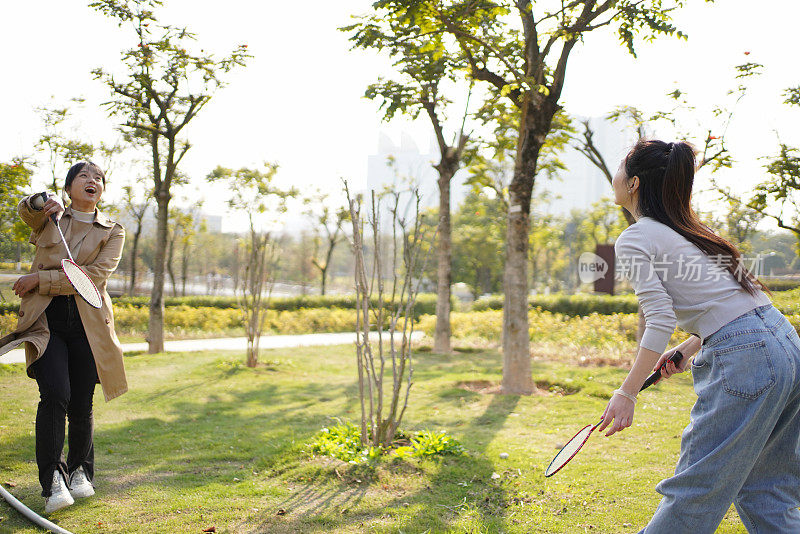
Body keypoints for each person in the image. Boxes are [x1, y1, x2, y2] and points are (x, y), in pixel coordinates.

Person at [599, 139, 800, 533]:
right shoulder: (691, 230)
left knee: (694, 492)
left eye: (621, 166)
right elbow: (738, 300)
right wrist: (692, 344)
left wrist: (627, 392)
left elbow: (659, 318)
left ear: (635, 183)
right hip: (785, 344)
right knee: (767, 490)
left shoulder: (636, 237)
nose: (615, 174)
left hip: (748, 357)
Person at [0, 161, 127, 514]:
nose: (93, 181)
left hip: (90, 325)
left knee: (81, 402)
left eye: (99, 178)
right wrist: (41, 201)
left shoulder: (113, 231)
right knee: (55, 393)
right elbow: (26, 211)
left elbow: (92, 278)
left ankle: (81, 473)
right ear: (69, 187)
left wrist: (40, 280)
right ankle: (53, 479)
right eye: (84, 176)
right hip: (46, 322)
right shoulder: (50, 219)